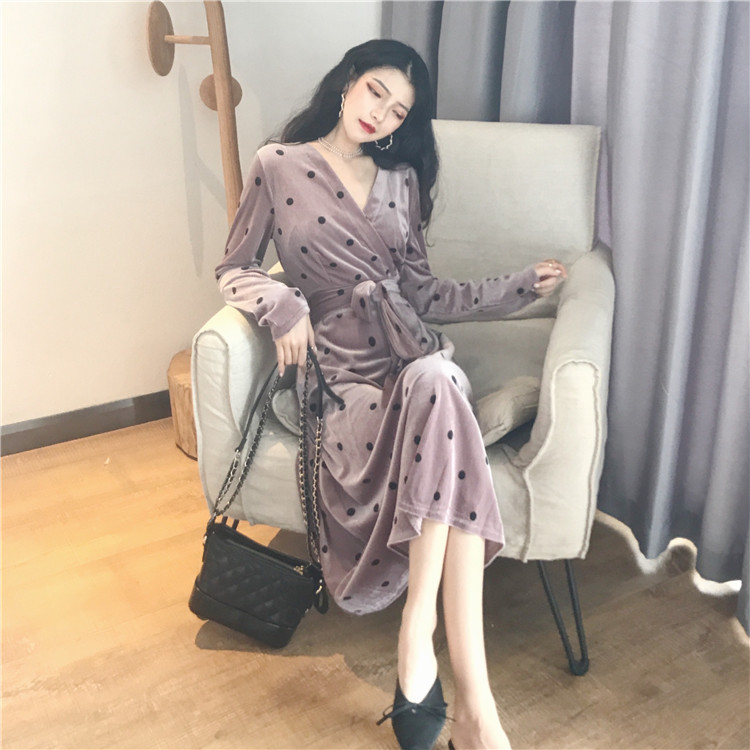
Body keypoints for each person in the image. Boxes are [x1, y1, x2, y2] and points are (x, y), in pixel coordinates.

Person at [215, 38, 566, 750]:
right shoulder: (277, 164)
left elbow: (424, 294)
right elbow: (234, 266)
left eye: (399, 109)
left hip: (414, 360)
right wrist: (283, 304)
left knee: (438, 377)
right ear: (349, 81)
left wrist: (518, 287)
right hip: (345, 381)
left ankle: (422, 639)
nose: (381, 113)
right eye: (376, 91)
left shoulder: (402, 180)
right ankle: (472, 709)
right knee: (445, 400)